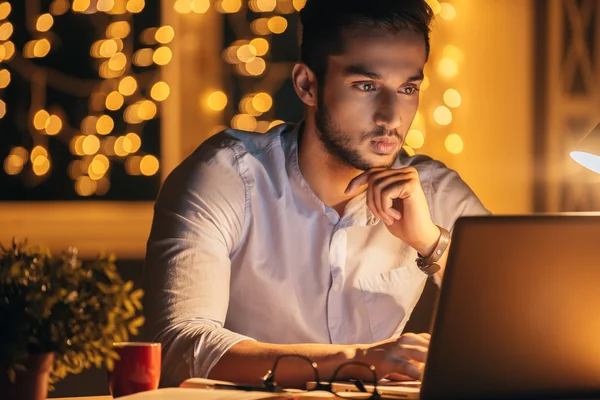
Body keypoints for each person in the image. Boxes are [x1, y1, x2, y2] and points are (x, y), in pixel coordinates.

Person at [143, 0, 488, 389]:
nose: (392, 116)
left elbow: (528, 316)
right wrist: (354, 360)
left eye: (408, 87)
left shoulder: (433, 189)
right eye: (367, 86)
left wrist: (431, 243)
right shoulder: (227, 175)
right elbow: (178, 347)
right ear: (307, 84)